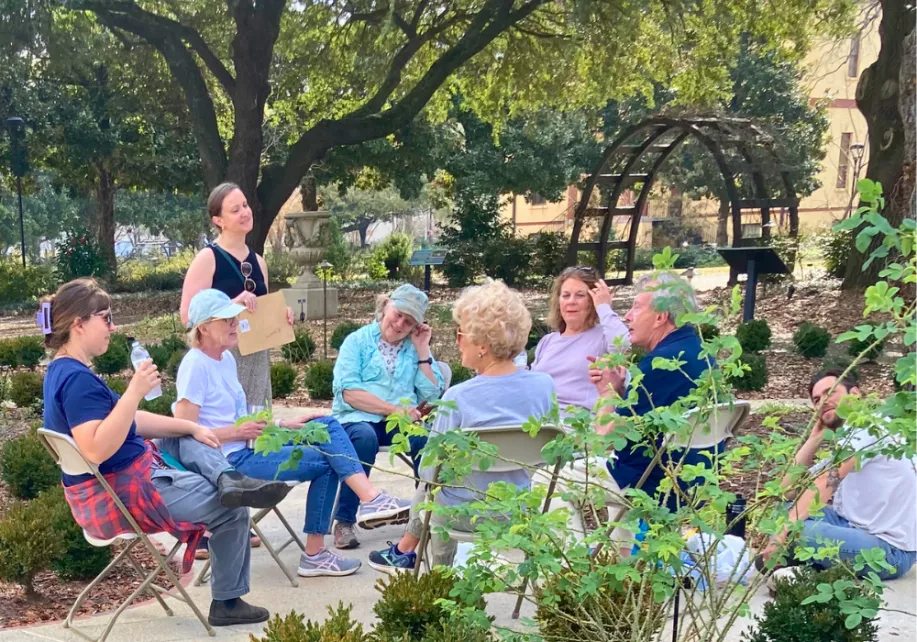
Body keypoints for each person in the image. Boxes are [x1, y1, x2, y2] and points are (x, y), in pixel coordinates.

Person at [41, 279, 290, 627]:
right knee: (233, 511)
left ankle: (230, 478)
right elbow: (94, 448)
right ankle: (227, 603)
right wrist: (134, 392)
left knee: (186, 437)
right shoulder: (77, 381)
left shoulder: (64, 370)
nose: (113, 327)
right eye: (106, 318)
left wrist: (189, 426)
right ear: (79, 324)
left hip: (123, 479)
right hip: (122, 493)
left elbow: (129, 422)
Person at [172, 289, 411, 577]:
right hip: (227, 463)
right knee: (327, 460)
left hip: (248, 446)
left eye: (234, 317)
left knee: (326, 426)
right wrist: (235, 433)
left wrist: (286, 426)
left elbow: (244, 421)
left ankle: (370, 500)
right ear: (204, 327)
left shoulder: (225, 360)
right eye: (226, 320)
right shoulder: (195, 365)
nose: (235, 323)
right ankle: (318, 551)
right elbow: (185, 433)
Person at [367, 280, 555, 572]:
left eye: (461, 333)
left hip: (461, 514)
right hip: (518, 510)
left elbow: (429, 471)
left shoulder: (459, 397)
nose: (457, 341)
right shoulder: (544, 386)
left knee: (433, 488)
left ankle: (436, 575)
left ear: (481, 345)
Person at [759, 368, 916, 580]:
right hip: (851, 526)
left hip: (889, 551)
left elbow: (826, 481)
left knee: (795, 530)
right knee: (783, 513)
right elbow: (785, 491)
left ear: (855, 395)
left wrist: (780, 535)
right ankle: (806, 562)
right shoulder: (848, 437)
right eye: (816, 399)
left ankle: (801, 562)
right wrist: (814, 438)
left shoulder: (870, 428)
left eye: (830, 392)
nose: (822, 401)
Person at [331, 284, 445, 549]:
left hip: (399, 423)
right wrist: (394, 409)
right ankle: (344, 521)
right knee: (363, 438)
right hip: (357, 418)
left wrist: (422, 350)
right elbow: (349, 393)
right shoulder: (356, 342)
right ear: (385, 307)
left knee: (425, 440)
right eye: (398, 314)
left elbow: (432, 391)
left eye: (409, 321)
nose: (400, 323)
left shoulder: (412, 347)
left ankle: (425, 517)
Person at [181, 183, 292, 406]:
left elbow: (259, 313)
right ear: (218, 220)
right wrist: (231, 305)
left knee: (260, 429)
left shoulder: (259, 262)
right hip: (220, 358)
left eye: (245, 205)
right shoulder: (207, 258)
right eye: (235, 210)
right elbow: (188, 317)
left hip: (257, 359)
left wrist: (281, 315)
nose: (245, 212)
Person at [531, 266, 629, 414]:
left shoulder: (603, 336)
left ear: (592, 300)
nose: (571, 301)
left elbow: (624, 346)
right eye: (565, 295)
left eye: (580, 295)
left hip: (579, 424)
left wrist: (604, 307)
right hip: (541, 422)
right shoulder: (548, 341)